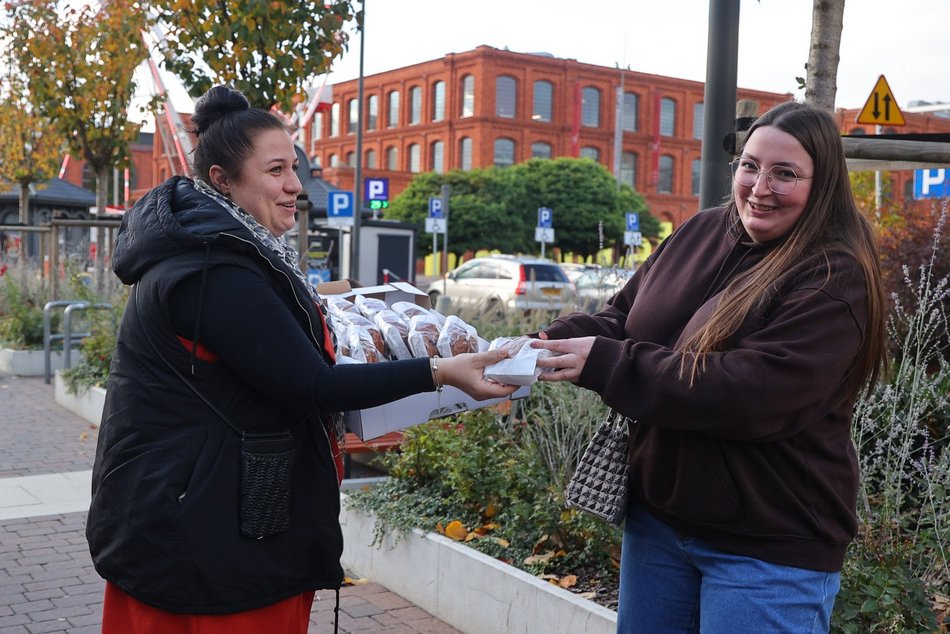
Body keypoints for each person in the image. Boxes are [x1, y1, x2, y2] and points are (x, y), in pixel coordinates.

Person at [85, 84, 516, 633]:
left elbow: (257, 332)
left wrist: (333, 296)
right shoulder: (214, 268)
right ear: (222, 180)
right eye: (275, 171)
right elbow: (311, 384)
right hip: (205, 542)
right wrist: (438, 372)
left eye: (295, 166)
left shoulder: (214, 246)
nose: (295, 185)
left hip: (193, 519)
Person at [532, 101, 887, 633]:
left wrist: (609, 365)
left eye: (785, 173)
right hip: (659, 524)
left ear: (824, 184)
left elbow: (752, 392)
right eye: (750, 165)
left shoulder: (836, 276)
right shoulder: (701, 231)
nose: (760, 187)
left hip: (766, 546)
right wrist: (533, 347)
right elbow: (624, 320)